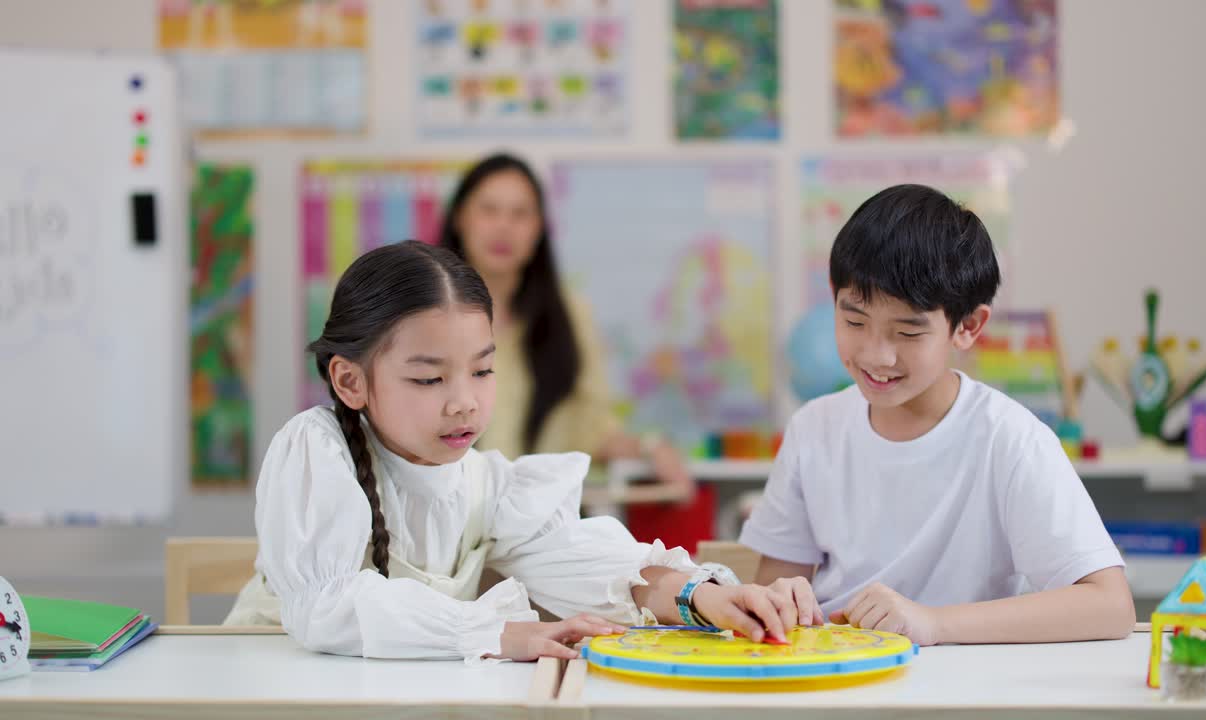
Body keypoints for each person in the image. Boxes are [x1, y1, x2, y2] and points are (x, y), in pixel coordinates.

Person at [225, 241, 799, 659]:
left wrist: (702, 596)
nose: (464, 403)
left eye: (483, 370)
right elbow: (330, 605)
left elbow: (579, 560)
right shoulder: (315, 449)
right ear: (350, 381)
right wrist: (492, 631)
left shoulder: (485, 483)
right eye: (429, 379)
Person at [741, 184, 1135, 646]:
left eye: (907, 332)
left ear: (967, 326)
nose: (877, 355)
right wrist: (780, 600)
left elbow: (1110, 606)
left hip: (964, 682)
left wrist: (932, 623)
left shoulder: (1009, 439)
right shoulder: (814, 428)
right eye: (854, 322)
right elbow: (778, 594)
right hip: (841, 680)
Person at [440, 153, 693, 497]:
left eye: (520, 214)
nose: (503, 226)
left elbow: (594, 430)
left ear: (539, 228)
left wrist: (649, 448)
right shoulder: (423, 315)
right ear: (460, 218)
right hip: (445, 518)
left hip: (541, 525)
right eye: (489, 210)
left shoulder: (570, 316)